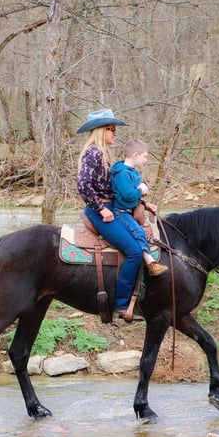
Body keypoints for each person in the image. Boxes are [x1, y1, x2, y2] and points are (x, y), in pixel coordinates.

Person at [76, 109, 168, 321]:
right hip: (102, 212)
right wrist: (101, 208)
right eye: (111, 129)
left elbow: (116, 190)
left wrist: (142, 203)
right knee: (135, 252)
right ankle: (121, 304)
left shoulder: (104, 154)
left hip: (112, 207)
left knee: (139, 239)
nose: (115, 134)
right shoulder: (94, 153)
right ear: (101, 130)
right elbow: (83, 185)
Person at [110, 138, 166, 277]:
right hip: (120, 212)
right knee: (138, 232)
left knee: (143, 230)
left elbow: (136, 187)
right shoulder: (122, 173)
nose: (146, 160)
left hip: (129, 211)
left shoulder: (132, 171)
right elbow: (128, 194)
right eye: (145, 156)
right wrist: (142, 190)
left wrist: (144, 199)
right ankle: (150, 262)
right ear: (135, 155)